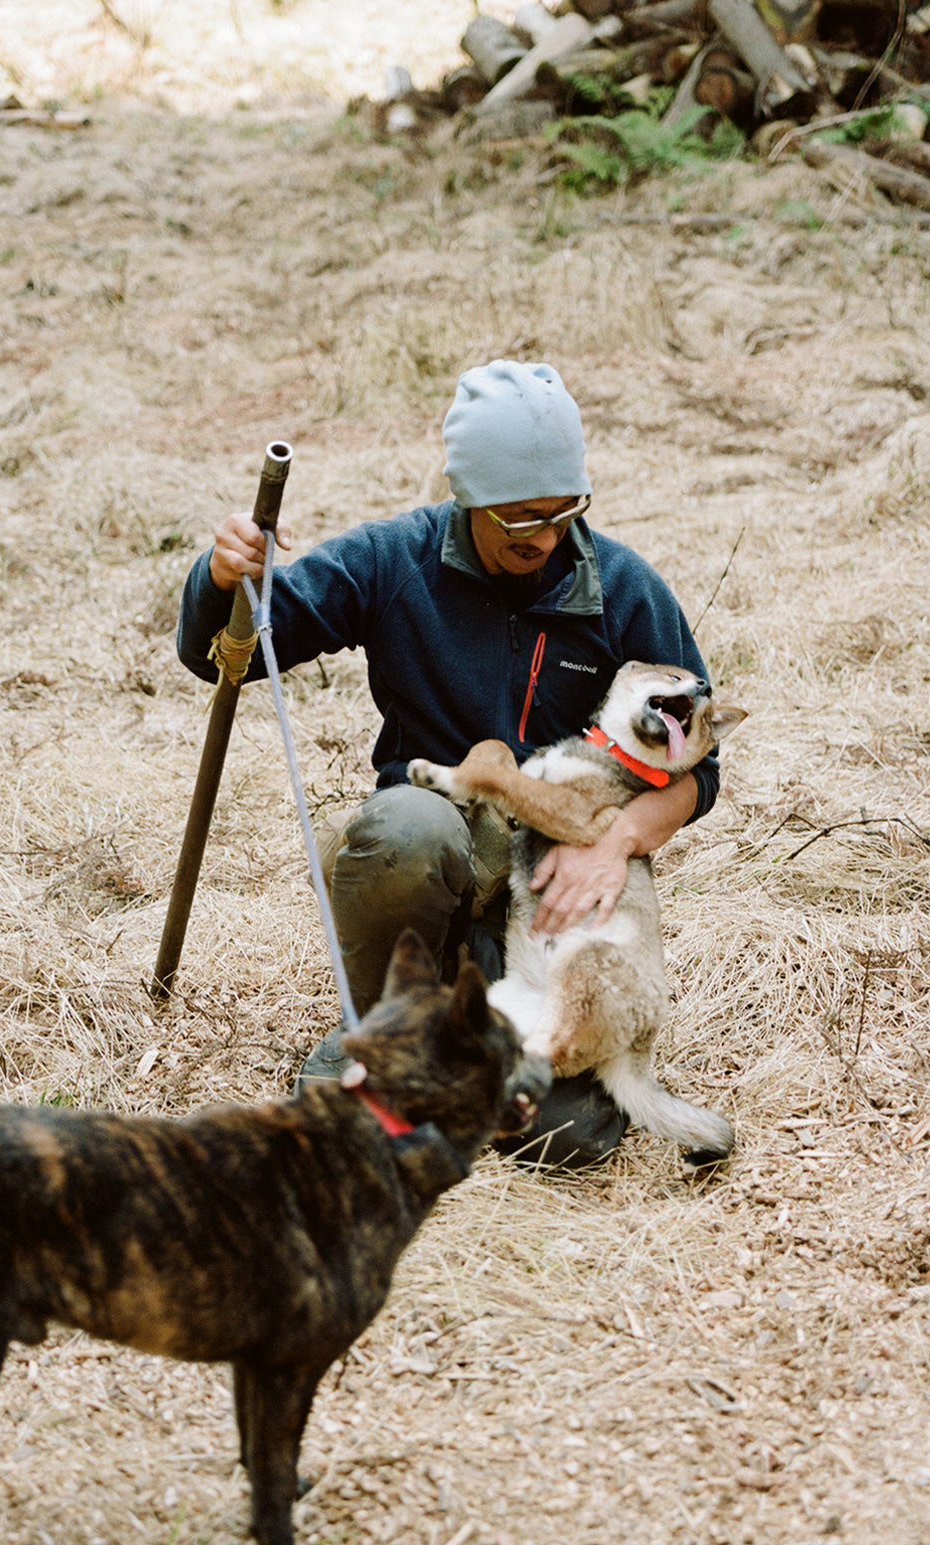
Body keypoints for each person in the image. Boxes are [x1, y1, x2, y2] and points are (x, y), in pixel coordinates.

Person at [176, 360, 720, 1168]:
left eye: (562, 512)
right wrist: (220, 577)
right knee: (407, 826)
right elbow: (230, 652)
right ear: (469, 498)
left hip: (541, 901)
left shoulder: (625, 590)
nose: (542, 535)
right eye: (518, 518)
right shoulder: (396, 559)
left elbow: (698, 771)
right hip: (426, 851)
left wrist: (615, 841)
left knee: (572, 1133)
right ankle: (392, 1026)